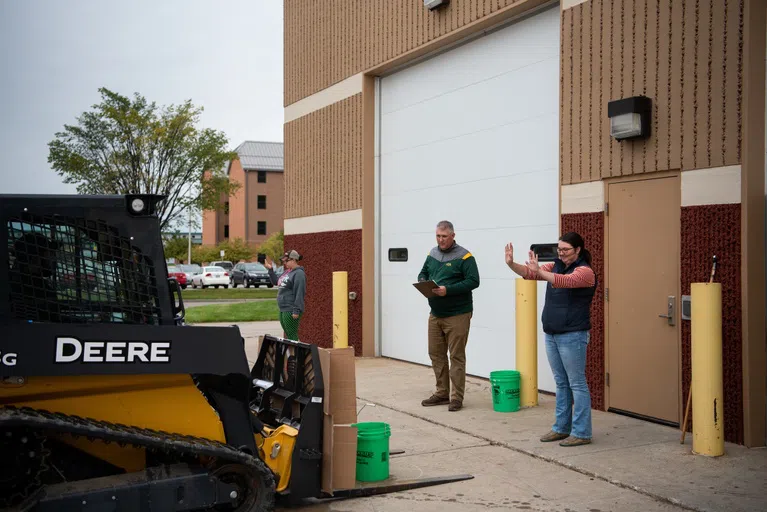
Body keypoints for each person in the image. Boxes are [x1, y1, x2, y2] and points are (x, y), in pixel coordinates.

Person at [504, 232, 597, 447]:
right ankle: (561, 428)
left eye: (566, 250)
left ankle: (582, 432)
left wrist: (540, 272)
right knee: (561, 382)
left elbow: (564, 281)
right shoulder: (554, 265)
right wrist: (511, 264)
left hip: (573, 335)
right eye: (559, 249)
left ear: (578, 250)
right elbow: (529, 273)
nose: (561, 253)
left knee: (577, 383)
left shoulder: (585, 272)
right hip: (552, 334)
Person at [418, 220, 480, 412]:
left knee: (456, 356)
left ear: (453, 236)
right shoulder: (432, 253)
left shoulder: (465, 257)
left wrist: (448, 290)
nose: (441, 240)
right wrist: (423, 282)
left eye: (444, 236)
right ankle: (442, 392)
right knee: (435, 354)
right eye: (438, 236)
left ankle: (456, 398)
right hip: (435, 314)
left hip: (458, 314)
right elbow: (423, 272)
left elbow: (473, 281)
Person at [265, 249, 306, 340]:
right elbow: (276, 281)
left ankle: (296, 353)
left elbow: (299, 292)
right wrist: (270, 270)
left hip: (291, 309)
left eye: (286, 261)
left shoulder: (299, 273)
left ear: (294, 260)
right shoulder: (288, 272)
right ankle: (292, 353)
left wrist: (296, 310)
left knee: (292, 335)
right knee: (288, 334)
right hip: (283, 308)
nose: (284, 263)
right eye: (283, 261)